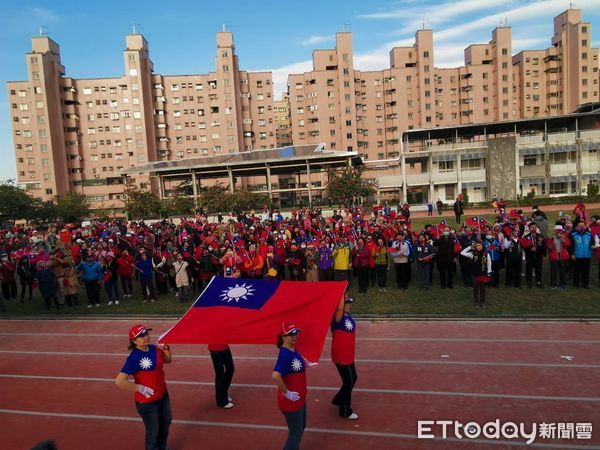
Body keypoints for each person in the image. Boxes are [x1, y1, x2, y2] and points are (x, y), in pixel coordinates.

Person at [115, 325, 172, 450]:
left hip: (162, 395)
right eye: (141, 336)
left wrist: (166, 348)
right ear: (134, 341)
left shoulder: (154, 348)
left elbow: (167, 360)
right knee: (153, 431)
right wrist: (140, 388)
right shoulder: (134, 357)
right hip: (147, 402)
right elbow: (119, 381)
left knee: (166, 423)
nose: (145, 337)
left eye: (146, 334)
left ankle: (163, 446)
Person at [272, 323, 315, 450]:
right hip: (291, 402)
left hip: (300, 398)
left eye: (296, 333)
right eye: (291, 334)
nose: (294, 336)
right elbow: (275, 376)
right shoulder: (284, 355)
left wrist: (306, 363)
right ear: (283, 337)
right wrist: (286, 393)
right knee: (295, 434)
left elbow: (296, 358)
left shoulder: (292, 349)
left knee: (300, 428)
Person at [331, 295, 358, 420]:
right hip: (341, 354)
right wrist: (341, 291)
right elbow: (339, 308)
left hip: (349, 353)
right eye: (347, 303)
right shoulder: (337, 318)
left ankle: (338, 399)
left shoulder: (347, 315)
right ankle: (345, 410)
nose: (349, 305)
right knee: (348, 381)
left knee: (353, 378)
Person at [461, 241, 492, 308]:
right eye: (477, 245)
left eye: (480, 245)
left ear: (482, 246)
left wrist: (489, 273)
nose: (478, 247)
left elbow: (489, 264)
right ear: (475, 247)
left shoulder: (486, 254)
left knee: (483, 289)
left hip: (483, 274)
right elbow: (462, 253)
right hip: (474, 274)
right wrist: (470, 247)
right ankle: (476, 302)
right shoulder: (472, 254)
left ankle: (483, 302)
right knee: (476, 288)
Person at [208, 344, 235, 409]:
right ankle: (221, 401)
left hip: (225, 346)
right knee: (220, 374)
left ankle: (223, 394)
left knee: (230, 369)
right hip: (215, 349)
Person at [546, 225, 571, 290]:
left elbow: (568, 245)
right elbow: (549, 247)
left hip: (563, 257)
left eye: (560, 231)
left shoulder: (564, 237)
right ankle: (553, 284)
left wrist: (563, 240)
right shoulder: (551, 238)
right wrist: (552, 245)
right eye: (557, 231)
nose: (558, 232)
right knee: (553, 271)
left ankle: (562, 284)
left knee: (562, 272)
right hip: (554, 257)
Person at [570, 223, 592, 289]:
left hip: (587, 256)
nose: (581, 227)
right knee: (576, 271)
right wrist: (572, 254)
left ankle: (585, 283)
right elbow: (571, 246)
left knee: (586, 271)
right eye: (579, 225)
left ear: (585, 227)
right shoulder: (573, 235)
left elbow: (593, 244)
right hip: (577, 256)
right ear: (577, 227)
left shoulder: (589, 235)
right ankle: (576, 283)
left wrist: (593, 246)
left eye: (582, 225)